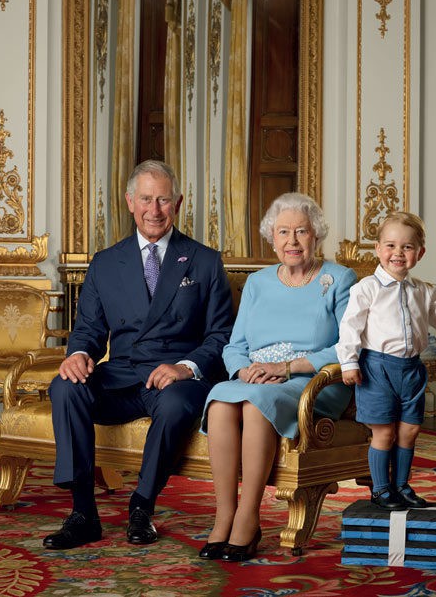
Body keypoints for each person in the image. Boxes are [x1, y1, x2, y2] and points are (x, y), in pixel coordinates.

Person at [43, 160, 233, 550]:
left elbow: (222, 335)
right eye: (146, 199)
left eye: (163, 200)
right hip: (123, 374)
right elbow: (89, 331)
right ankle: (83, 512)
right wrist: (78, 354)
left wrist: (186, 367)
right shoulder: (106, 262)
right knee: (65, 386)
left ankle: (142, 507)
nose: (155, 209)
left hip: (175, 378)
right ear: (130, 202)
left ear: (178, 203)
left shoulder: (205, 260)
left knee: (178, 403)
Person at [198, 193, 357, 562]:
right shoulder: (257, 282)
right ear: (272, 238)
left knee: (256, 407)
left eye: (302, 231)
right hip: (256, 378)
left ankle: (248, 517)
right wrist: (244, 370)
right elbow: (234, 345)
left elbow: (349, 346)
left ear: (316, 235)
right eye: (283, 232)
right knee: (221, 400)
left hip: (312, 382)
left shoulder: (339, 278)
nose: (292, 241)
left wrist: (288, 368)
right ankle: (225, 514)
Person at [336, 212, 436, 511]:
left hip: (411, 369)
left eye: (407, 247)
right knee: (384, 432)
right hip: (377, 368)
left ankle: (401, 485)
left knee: (409, 431)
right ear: (378, 249)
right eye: (390, 246)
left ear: (419, 253)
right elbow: (350, 327)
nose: (398, 253)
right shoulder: (365, 289)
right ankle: (381, 489)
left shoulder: (423, 291)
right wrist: (349, 362)